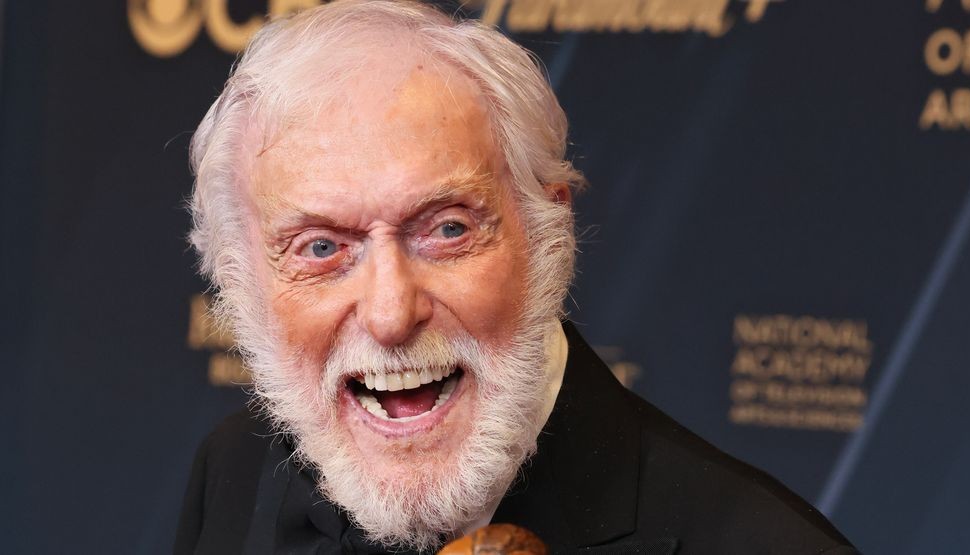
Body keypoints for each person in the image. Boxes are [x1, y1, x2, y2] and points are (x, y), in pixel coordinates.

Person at [175, 1, 857, 553]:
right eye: (321, 247)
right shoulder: (232, 474)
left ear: (546, 235)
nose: (389, 312)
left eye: (446, 230)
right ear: (243, 283)